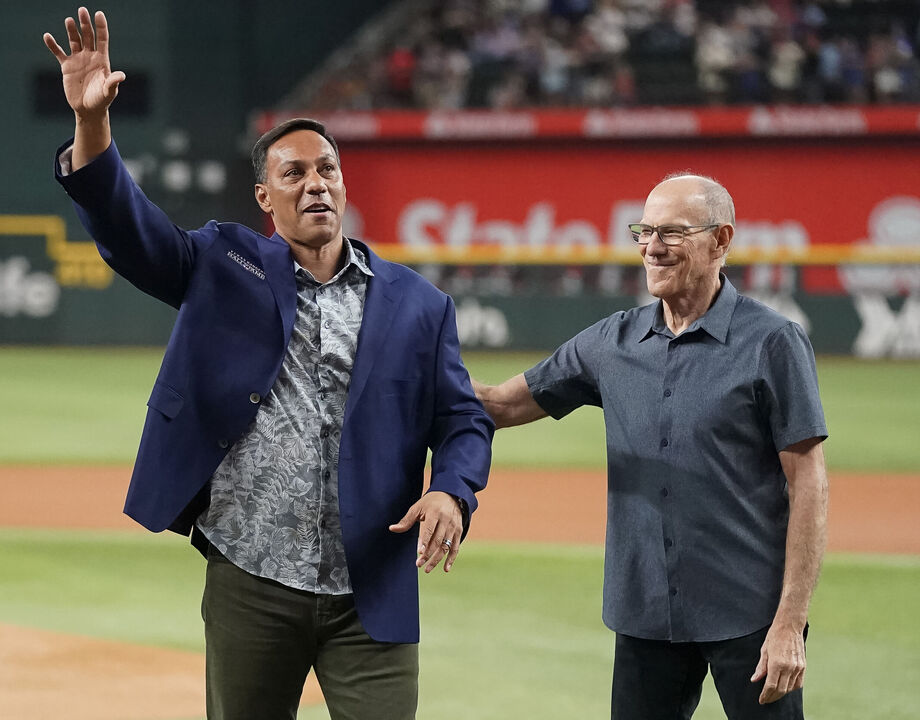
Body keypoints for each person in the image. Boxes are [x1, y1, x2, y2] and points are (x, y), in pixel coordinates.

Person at [43, 8, 493, 719]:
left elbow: (464, 419)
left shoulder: (418, 304)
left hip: (369, 588)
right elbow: (132, 234)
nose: (316, 183)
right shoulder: (225, 261)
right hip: (250, 576)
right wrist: (92, 125)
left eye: (328, 170)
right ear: (265, 198)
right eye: (294, 173)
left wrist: (452, 492)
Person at [473, 173, 829, 719]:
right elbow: (500, 405)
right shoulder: (611, 342)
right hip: (646, 616)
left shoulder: (772, 342)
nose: (653, 248)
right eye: (644, 232)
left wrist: (789, 623)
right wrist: (404, 379)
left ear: (721, 240)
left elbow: (809, 483)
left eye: (673, 233)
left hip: (749, 615)